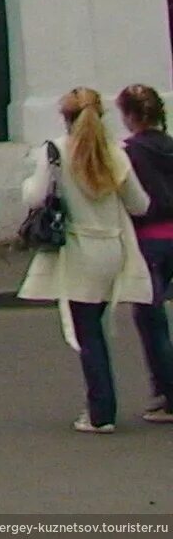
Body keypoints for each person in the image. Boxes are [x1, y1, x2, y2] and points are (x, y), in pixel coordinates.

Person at [18, 87, 154, 432]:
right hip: (113, 248)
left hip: (80, 251)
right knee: (97, 327)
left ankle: (100, 411)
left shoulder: (56, 151)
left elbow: (35, 197)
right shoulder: (115, 153)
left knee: (87, 333)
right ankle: (101, 406)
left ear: (66, 117)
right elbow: (139, 205)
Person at [116, 84, 173, 424]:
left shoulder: (129, 152)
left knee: (151, 320)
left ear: (132, 116)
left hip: (149, 240)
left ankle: (167, 392)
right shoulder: (170, 147)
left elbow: (132, 199)